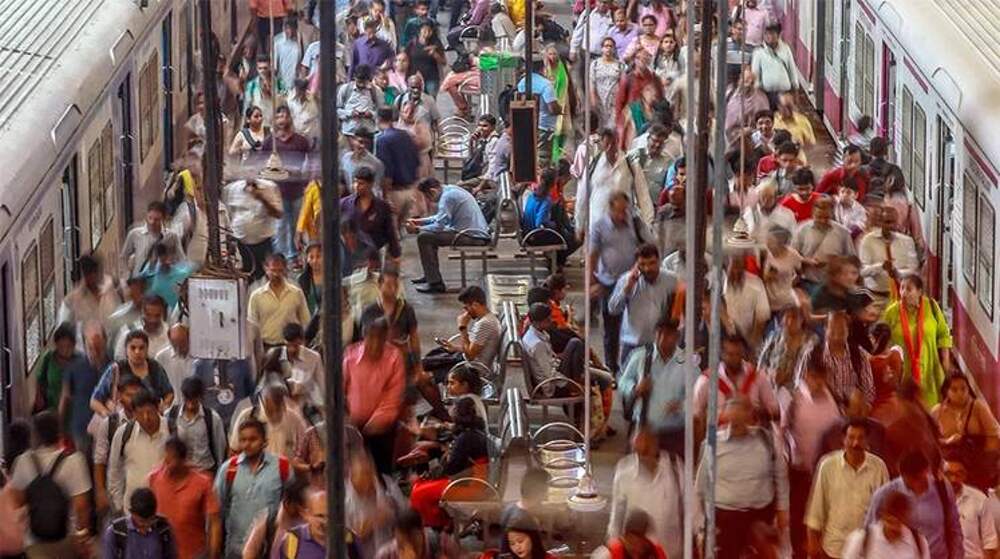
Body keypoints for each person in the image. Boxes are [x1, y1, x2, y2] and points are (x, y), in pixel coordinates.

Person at [696, 397, 789, 559]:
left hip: (760, 516)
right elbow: (700, 488)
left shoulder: (767, 440)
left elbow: (781, 475)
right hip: (724, 519)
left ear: (750, 418)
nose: (734, 426)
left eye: (739, 421)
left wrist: (783, 508)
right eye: (731, 421)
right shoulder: (712, 443)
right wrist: (701, 527)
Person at [7, 411, 92, 558]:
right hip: (67, 540)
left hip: (34, 543)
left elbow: (16, 502)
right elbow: (81, 507)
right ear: (59, 434)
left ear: (35, 436)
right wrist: (83, 537)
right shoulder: (75, 461)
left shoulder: (23, 461)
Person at [782, 357, 842, 556]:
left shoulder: (833, 398)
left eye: (822, 378)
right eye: (815, 377)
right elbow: (781, 433)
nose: (819, 382)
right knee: (800, 521)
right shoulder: (793, 398)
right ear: (807, 376)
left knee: (824, 521)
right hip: (801, 473)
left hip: (828, 474)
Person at [806, 418, 890, 559]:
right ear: (843, 439)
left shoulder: (879, 467)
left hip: (866, 550)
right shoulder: (827, 465)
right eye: (851, 437)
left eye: (860, 438)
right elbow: (816, 508)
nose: (855, 443)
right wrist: (812, 543)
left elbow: (884, 510)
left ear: (867, 441)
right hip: (834, 548)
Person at [215, 418, 292, 559]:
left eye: (252, 439)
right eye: (243, 440)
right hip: (236, 550)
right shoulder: (229, 469)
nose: (247, 444)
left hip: (271, 549)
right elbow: (217, 511)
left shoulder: (282, 467)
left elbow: (291, 507)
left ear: (265, 441)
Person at [865, 450, 963, 559]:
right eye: (906, 480)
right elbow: (869, 534)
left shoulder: (942, 489)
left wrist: (956, 556)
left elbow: (954, 528)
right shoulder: (885, 494)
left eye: (916, 478)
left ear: (926, 471)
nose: (912, 484)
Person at [409, 398, 490, 528]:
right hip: (472, 479)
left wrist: (443, 456)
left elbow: (451, 469)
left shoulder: (465, 438)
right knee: (421, 485)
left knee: (420, 493)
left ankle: (436, 525)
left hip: (472, 486)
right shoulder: (472, 432)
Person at [607, 427, 684, 559]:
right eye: (639, 450)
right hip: (637, 555)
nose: (643, 453)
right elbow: (617, 516)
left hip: (671, 553)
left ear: (656, 444)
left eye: (647, 449)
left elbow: (692, 508)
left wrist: (701, 535)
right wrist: (613, 548)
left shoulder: (675, 468)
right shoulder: (624, 470)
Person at [343, 318, 406, 475]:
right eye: (372, 338)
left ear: (386, 338)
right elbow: (340, 389)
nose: (376, 344)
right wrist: (347, 419)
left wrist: (372, 425)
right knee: (351, 473)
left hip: (381, 431)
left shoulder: (394, 358)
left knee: (381, 473)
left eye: (380, 338)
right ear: (364, 336)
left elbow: (392, 398)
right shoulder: (350, 356)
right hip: (352, 427)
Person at [406, 177, 490, 294]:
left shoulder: (447, 198)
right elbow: (439, 218)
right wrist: (420, 222)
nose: (429, 201)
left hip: (473, 236)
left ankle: (435, 283)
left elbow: (439, 226)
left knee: (424, 238)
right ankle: (431, 275)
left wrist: (417, 229)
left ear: (432, 192)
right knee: (427, 235)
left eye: (428, 197)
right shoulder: (450, 190)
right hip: (473, 232)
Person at [882, 274, 954, 407]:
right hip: (903, 375)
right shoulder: (891, 313)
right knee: (908, 410)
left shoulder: (931, 307)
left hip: (931, 373)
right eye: (902, 288)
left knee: (932, 410)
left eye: (909, 289)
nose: (903, 293)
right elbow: (882, 341)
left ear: (919, 292)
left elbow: (943, 335)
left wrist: (946, 364)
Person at [147, 438, 222, 559]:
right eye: (165, 459)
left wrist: (214, 553)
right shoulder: (154, 479)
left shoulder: (202, 482)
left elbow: (214, 521)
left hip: (195, 553)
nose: (166, 465)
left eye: (171, 460)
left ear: (183, 460)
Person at [608, 244, 677, 369]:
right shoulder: (626, 280)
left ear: (659, 261)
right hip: (632, 343)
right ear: (637, 265)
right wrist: (627, 288)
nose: (647, 268)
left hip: (658, 344)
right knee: (627, 379)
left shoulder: (671, 280)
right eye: (642, 264)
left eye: (652, 263)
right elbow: (613, 309)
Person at [694, 334, 780, 427]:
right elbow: (695, 415)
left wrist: (755, 411)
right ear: (722, 354)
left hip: (752, 434)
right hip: (719, 434)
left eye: (738, 354)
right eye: (730, 354)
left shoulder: (758, 376)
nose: (735, 359)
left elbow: (776, 412)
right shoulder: (706, 380)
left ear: (743, 353)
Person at [933, 374, 1000, 490]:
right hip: (950, 466)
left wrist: (986, 462)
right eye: (954, 390)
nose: (960, 393)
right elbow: (930, 439)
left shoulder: (978, 407)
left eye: (963, 389)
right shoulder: (938, 411)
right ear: (946, 391)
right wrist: (947, 441)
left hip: (976, 465)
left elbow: (993, 436)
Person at [108, 390, 168, 514]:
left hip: (166, 510)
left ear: (158, 409)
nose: (146, 418)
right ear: (134, 414)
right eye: (140, 414)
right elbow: (114, 471)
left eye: (150, 412)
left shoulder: (173, 431)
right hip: (133, 512)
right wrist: (119, 505)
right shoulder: (124, 434)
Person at [93, 329, 175, 412]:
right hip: (123, 417)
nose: (137, 352)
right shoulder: (115, 369)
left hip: (152, 416)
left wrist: (163, 407)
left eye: (141, 348)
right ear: (126, 349)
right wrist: (107, 414)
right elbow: (95, 401)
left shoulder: (155, 367)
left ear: (147, 349)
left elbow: (169, 393)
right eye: (133, 348)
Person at [222, 178, 283, 282]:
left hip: (263, 243)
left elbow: (278, 214)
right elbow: (227, 214)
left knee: (265, 277)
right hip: (241, 244)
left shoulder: (270, 187)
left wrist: (263, 199)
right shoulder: (231, 189)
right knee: (245, 276)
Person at [228, 383, 308, 461]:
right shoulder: (247, 416)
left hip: (286, 468)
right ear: (263, 403)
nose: (274, 415)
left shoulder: (294, 419)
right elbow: (234, 451)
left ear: (283, 403)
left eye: (278, 409)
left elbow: (303, 449)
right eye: (271, 411)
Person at [164, 377, 228, 474]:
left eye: (194, 401)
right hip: (181, 472)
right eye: (187, 400)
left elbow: (220, 449)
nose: (190, 405)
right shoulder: (171, 415)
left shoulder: (212, 418)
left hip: (205, 471)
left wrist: (219, 473)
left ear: (201, 397)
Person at [841, 489, 930, 559]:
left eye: (899, 521)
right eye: (890, 521)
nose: (894, 528)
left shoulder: (919, 543)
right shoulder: (860, 540)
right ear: (883, 515)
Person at [859, 205, 921, 303]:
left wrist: (898, 273)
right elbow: (862, 271)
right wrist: (881, 267)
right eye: (888, 222)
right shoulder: (868, 241)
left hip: (901, 299)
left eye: (894, 222)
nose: (892, 226)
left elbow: (913, 270)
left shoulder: (907, 241)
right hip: (876, 298)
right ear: (880, 222)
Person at [247, 253, 310, 348]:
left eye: (280, 270)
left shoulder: (296, 293)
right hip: (266, 346)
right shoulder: (256, 296)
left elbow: (305, 321)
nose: (276, 274)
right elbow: (252, 327)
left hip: (291, 346)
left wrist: (304, 344)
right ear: (266, 269)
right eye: (273, 270)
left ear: (285, 269)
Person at [793, 197, 857, 291]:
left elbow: (852, 259)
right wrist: (806, 260)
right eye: (819, 217)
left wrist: (835, 261)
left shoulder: (843, 232)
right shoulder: (802, 229)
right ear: (813, 214)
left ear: (832, 214)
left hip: (835, 284)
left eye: (826, 218)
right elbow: (792, 254)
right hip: (808, 282)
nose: (822, 221)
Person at [340, 166, 402, 261]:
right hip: (351, 256)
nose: (356, 186)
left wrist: (396, 255)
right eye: (355, 182)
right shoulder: (344, 204)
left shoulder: (382, 207)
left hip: (375, 255)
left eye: (361, 183)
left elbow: (390, 232)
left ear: (370, 184)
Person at [944, 457, 999, 559]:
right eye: (949, 474)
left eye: (958, 474)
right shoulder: (931, 499)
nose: (953, 479)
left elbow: (990, 541)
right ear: (941, 474)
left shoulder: (979, 499)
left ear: (965, 475)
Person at [242, 477, 310, 559]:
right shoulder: (268, 519)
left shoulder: (310, 522)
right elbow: (248, 553)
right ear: (288, 503)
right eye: (301, 506)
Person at [757, 306, 819, 394]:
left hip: (794, 386)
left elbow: (805, 366)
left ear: (802, 320)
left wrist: (787, 377)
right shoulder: (775, 335)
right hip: (769, 379)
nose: (789, 321)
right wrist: (769, 373)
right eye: (787, 317)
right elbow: (762, 359)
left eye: (794, 317)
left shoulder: (810, 340)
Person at [103, 488, 178, 559]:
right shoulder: (115, 533)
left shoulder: (163, 528)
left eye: (151, 520)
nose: (146, 526)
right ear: (132, 513)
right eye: (141, 522)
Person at [516, 58, 562, 165]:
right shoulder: (546, 84)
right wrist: (559, 109)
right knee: (543, 157)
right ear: (542, 68)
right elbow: (552, 108)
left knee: (528, 157)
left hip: (526, 125)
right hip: (544, 127)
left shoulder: (522, 83)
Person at [121, 201, 185, 279]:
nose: (152, 222)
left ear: (163, 219)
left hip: (162, 280)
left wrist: (174, 270)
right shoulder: (135, 234)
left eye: (157, 219)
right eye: (150, 218)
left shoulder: (172, 236)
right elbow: (123, 256)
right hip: (140, 281)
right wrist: (126, 276)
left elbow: (182, 259)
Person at [374, 107, 421, 214]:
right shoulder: (406, 135)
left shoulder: (382, 140)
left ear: (378, 119)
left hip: (394, 193)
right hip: (410, 191)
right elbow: (416, 163)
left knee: (392, 224)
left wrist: (385, 197)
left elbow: (387, 171)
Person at [723, 253, 772, 351]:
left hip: (750, 342)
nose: (736, 272)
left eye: (739, 267)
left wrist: (750, 344)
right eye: (733, 267)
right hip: (727, 342)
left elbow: (762, 317)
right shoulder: (721, 282)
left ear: (744, 265)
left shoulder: (756, 283)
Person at [57, 254, 121, 328]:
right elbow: (62, 330)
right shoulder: (70, 302)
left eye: (95, 272)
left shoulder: (109, 293)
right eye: (89, 273)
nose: (94, 276)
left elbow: (120, 319)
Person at [751, 24, 799, 107]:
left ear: (778, 35)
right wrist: (757, 93)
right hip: (767, 95)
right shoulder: (759, 52)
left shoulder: (786, 49)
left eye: (772, 33)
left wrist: (795, 89)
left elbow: (792, 70)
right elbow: (755, 73)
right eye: (766, 34)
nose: (769, 36)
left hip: (785, 94)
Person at [112, 294, 171, 362]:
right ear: (142, 312)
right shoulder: (128, 332)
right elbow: (119, 360)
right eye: (148, 315)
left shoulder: (170, 333)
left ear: (162, 314)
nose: (153, 320)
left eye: (157, 315)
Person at [274, 490, 329, 559]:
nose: (325, 522)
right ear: (306, 514)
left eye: (330, 517)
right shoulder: (292, 539)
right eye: (320, 516)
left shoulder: (342, 539)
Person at [338, 65, 385, 136]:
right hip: (349, 132)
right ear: (354, 77)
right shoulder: (345, 89)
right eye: (359, 81)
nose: (362, 85)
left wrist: (371, 114)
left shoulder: (376, 91)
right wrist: (350, 113)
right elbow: (337, 110)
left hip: (369, 131)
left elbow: (382, 112)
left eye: (364, 82)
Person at [591, 38, 626, 129]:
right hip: (600, 100)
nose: (608, 48)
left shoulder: (620, 65)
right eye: (606, 46)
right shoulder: (595, 64)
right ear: (602, 48)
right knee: (600, 126)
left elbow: (623, 84)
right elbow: (591, 82)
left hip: (614, 101)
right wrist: (593, 99)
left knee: (612, 127)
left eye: (611, 46)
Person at [155, 324, 191, 396]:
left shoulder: (198, 356)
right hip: (173, 400)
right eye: (175, 342)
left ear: (188, 338)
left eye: (182, 341)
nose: (179, 346)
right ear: (170, 340)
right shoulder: (161, 357)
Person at [272, 17, 303, 94]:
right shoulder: (277, 42)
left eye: (292, 28)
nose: (290, 31)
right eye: (287, 28)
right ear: (284, 28)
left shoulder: (299, 41)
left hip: (295, 85)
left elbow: (300, 63)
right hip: (281, 85)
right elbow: (274, 67)